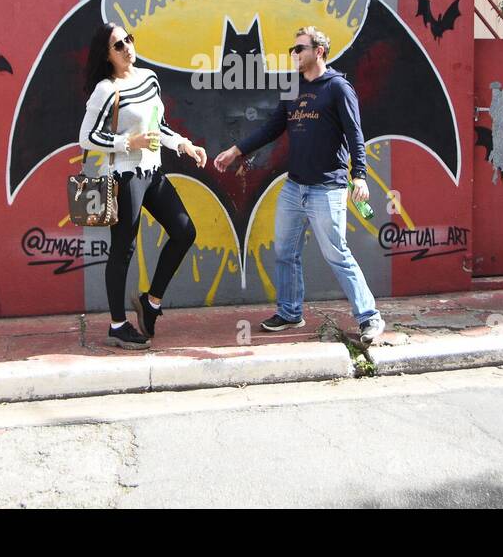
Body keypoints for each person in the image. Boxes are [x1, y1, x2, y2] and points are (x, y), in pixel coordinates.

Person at [214, 26, 385, 344]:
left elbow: (355, 133)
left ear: (318, 51)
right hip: (295, 188)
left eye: (299, 49)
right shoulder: (293, 88)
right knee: (285, 252)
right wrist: (237, 151)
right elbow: (272, 128)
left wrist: (359, 174)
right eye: (292, 49)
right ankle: (291, 313)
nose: (294, 54)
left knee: (337, 253)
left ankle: (370, 318)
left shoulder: (338, 88)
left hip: (327, 188)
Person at [80, 24, 207, 349]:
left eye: (128, 40)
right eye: (117, 45)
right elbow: (86, 136)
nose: (126, 47)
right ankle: (117, 325)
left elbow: (159, 126)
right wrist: (126, 142)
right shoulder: (105, 90)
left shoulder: (149, 79)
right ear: (107, 56)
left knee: (184, 231)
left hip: (153, 172)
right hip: (126, 176)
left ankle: (150, 303)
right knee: (123, 250)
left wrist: (184, 145)